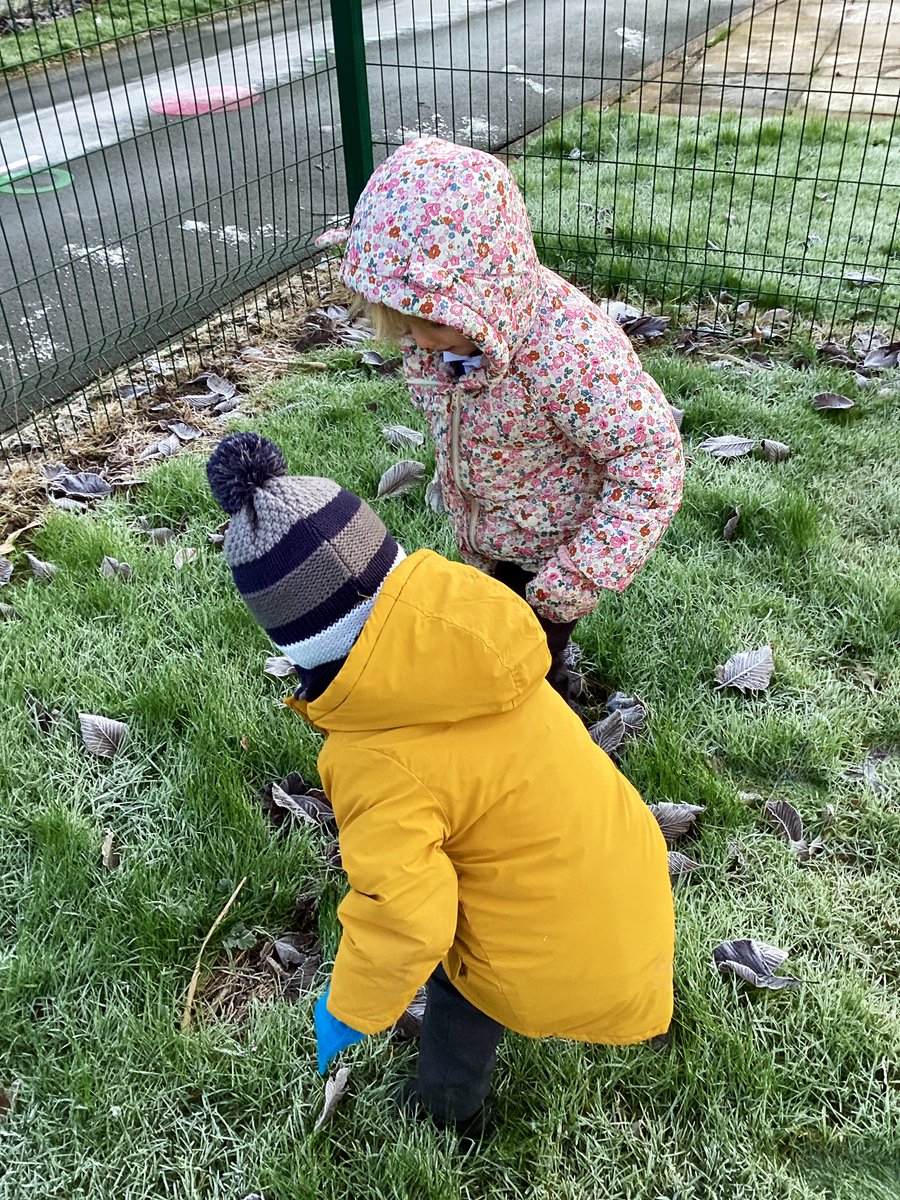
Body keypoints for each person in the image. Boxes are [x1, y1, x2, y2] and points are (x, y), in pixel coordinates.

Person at [207, 432, 675, 1142]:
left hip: (548, 942)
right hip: (629, 879)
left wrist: (352, 1006)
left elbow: (407, 917)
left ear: (301, 647)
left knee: (458, 984)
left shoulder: (376, 759)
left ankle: (450, 1113)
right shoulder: (488, 631)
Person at [337, 136, 685, 700]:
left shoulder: (568, 351)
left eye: (430, 321)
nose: (418, 339)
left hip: (556, 553)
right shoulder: (450, 336)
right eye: (402, 320)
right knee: (484, 647)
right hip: (490, 533)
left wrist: (574, 578)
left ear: (486, 288)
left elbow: (650, 456)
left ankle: (548, 739)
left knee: (524, 671)